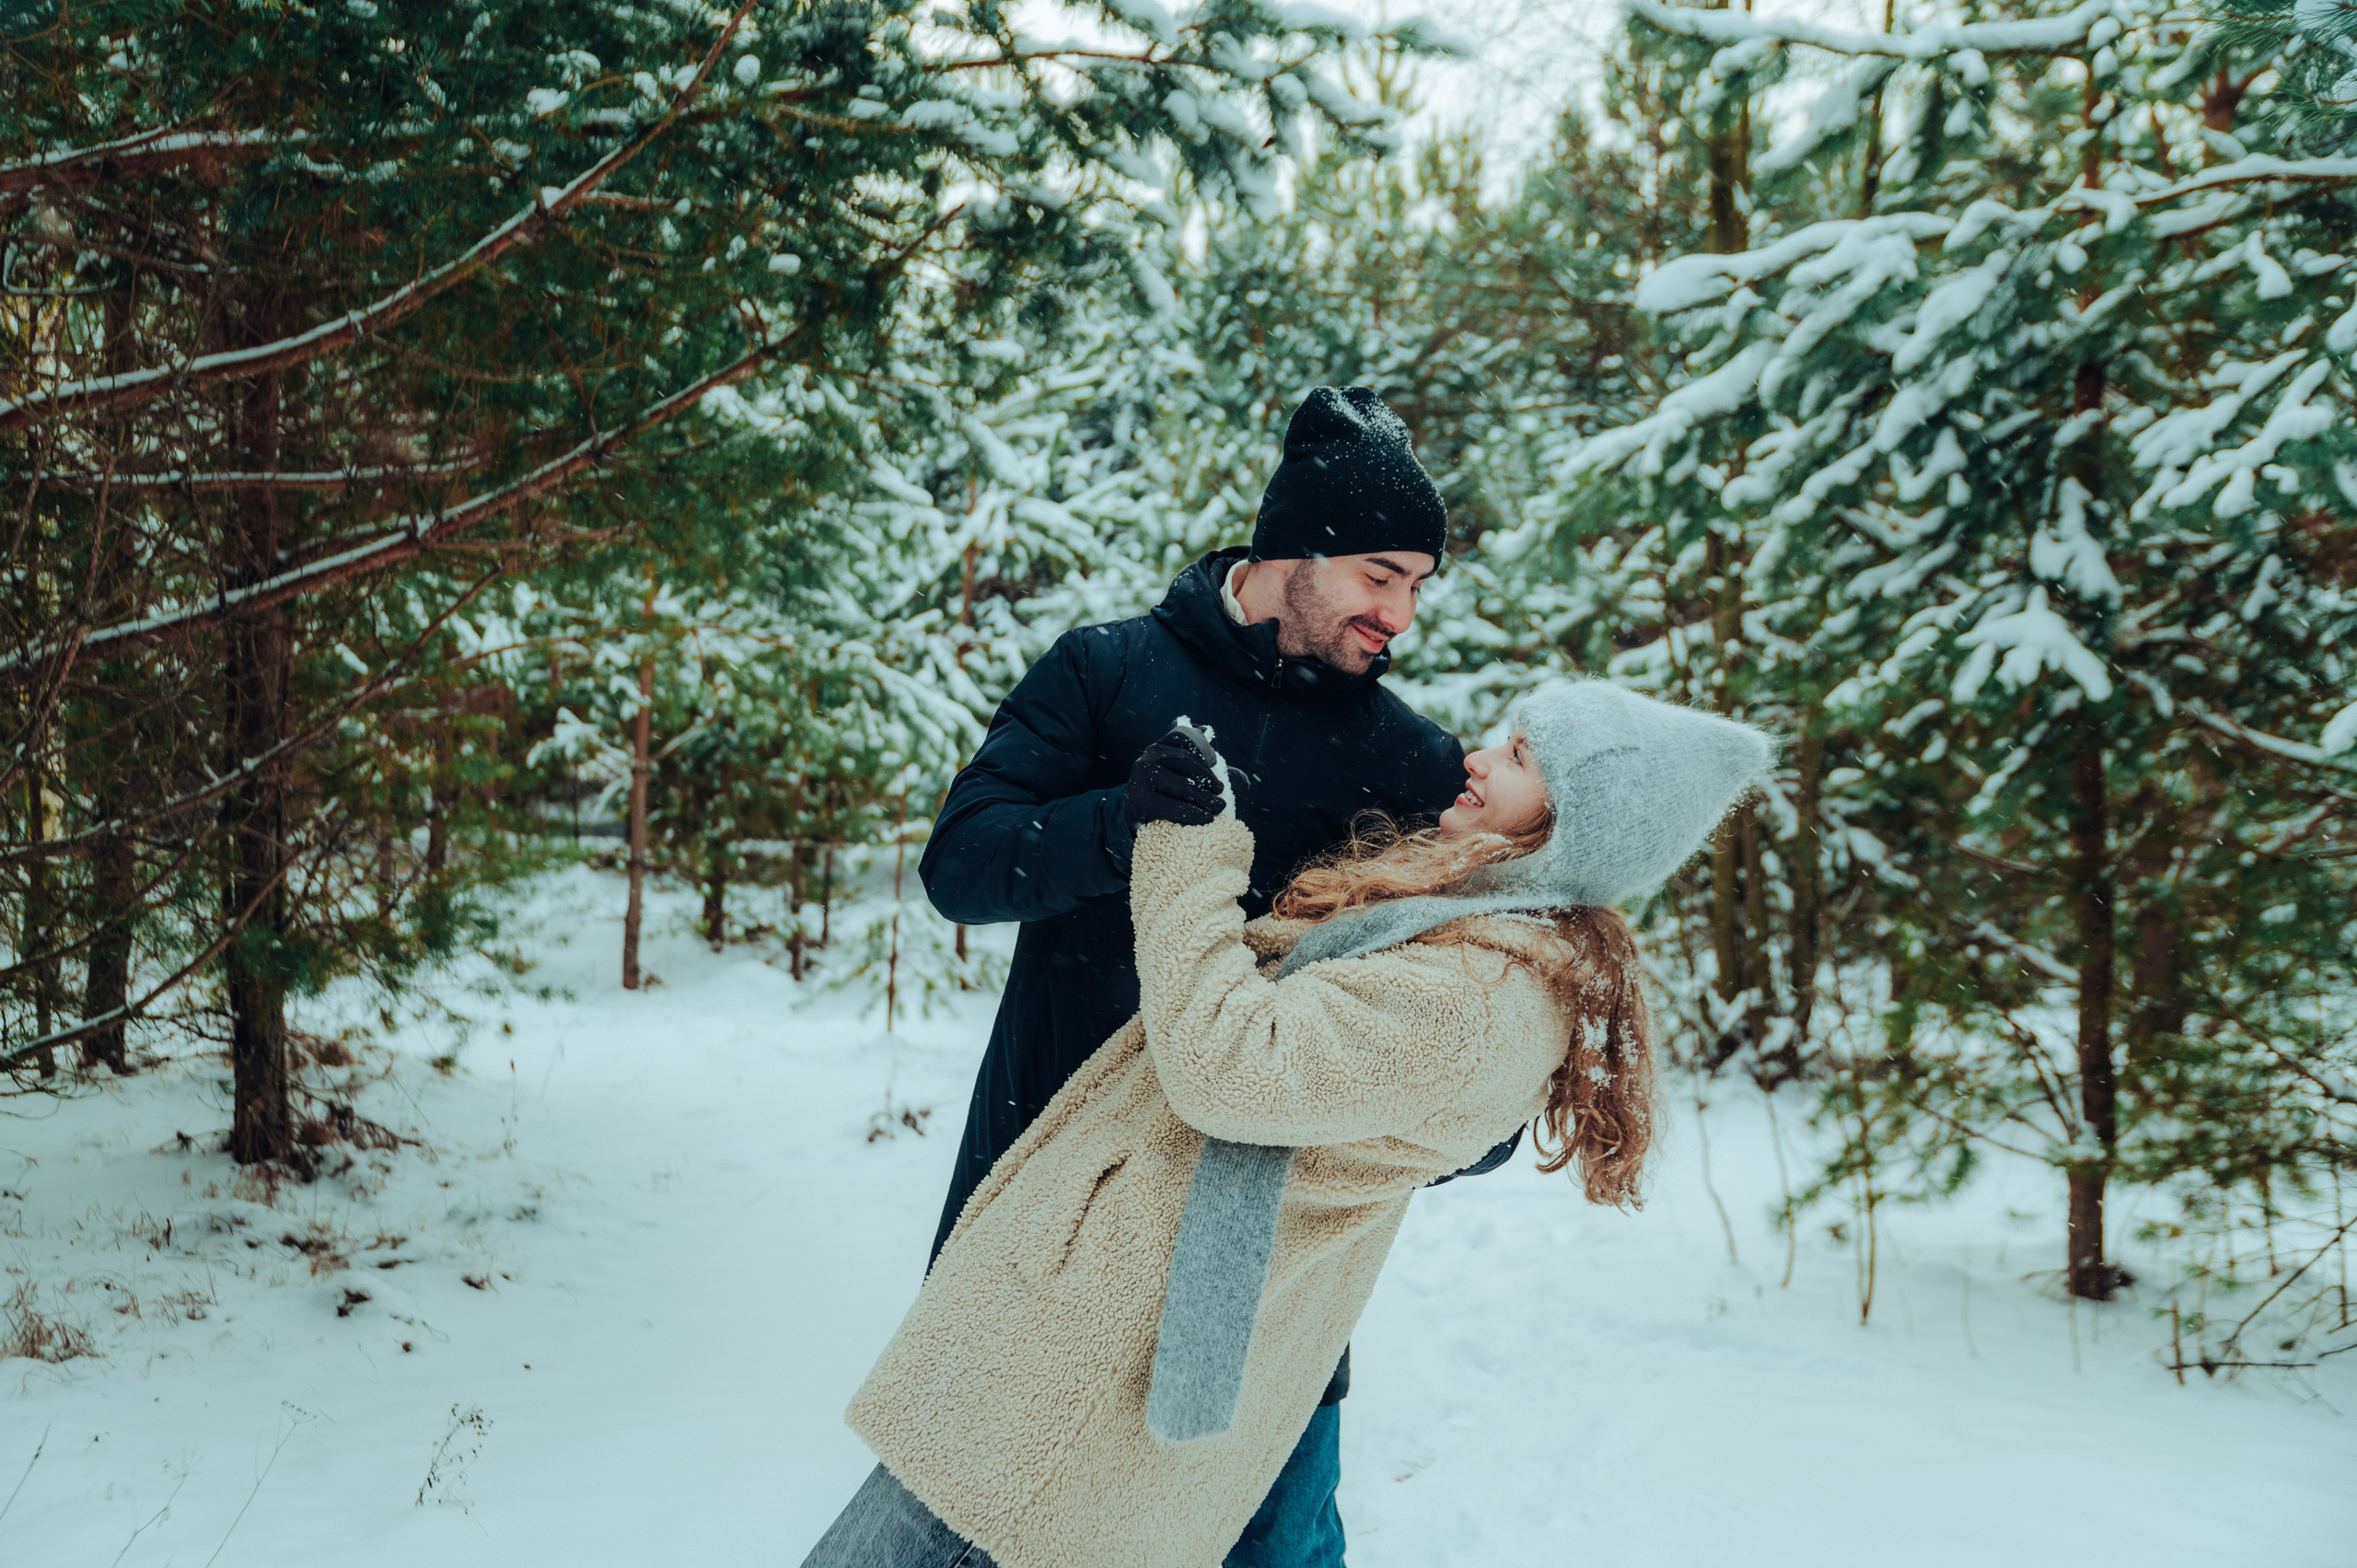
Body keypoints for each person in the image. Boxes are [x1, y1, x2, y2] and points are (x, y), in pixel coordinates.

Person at [802, 680, 1773, 1568]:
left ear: (1575, 822)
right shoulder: (1475, 940)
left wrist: (1187, 847)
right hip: (1091, 1359)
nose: (1478, 757)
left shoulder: (1478, 993)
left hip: (1081, 1391)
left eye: (1519, 755)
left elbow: (1231, 1064)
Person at [916, 387, 1476, 1562]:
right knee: (984, 1530)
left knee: (1275, 1545)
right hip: (1052, 1201)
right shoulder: (1104, 672)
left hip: (1263, 1257)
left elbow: (1453, 988)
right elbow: (960, 866)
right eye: (1380, 574)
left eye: (1419, 584)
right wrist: (1115, 824)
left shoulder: (1409, 759)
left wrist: (1467, 1113)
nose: (1401, 614)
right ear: (1294, 551)